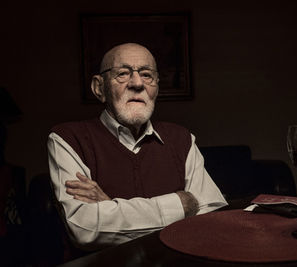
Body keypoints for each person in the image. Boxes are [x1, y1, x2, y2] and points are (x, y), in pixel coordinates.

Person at [47, 43, 227, 251]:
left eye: (147, 74)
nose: (137, 83)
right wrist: (182, 204)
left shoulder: (182, 138)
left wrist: (110, 206)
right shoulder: (67, 138)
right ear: (99, 88)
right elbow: (84, 228)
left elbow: (213, 217)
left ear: (157, 86)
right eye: (122, 73)